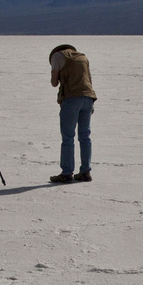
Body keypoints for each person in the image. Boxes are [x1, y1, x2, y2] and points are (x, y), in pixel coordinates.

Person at [48, 43, 96, 184]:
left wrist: (57, 74)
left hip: (71, 98)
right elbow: (89, 80)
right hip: (88, 97)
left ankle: (67, 173)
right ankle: (85, 171)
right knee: (85, 136)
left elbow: (54, 83)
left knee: (68, 137)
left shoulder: (58, 56)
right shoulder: (83, 57)